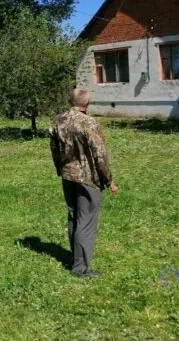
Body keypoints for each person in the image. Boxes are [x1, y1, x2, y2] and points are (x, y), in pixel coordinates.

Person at [49, 89, 118, 278]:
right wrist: (108, 179)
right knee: (85, 221)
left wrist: (60, 169)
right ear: (86, 104)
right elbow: (100, 154)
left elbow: (54, 149)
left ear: (69, 101)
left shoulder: (58, 121)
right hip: (88, 179)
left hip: (67, 176)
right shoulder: (88, 123)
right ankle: (80, 268)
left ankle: (76, 258)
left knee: (74, 217)